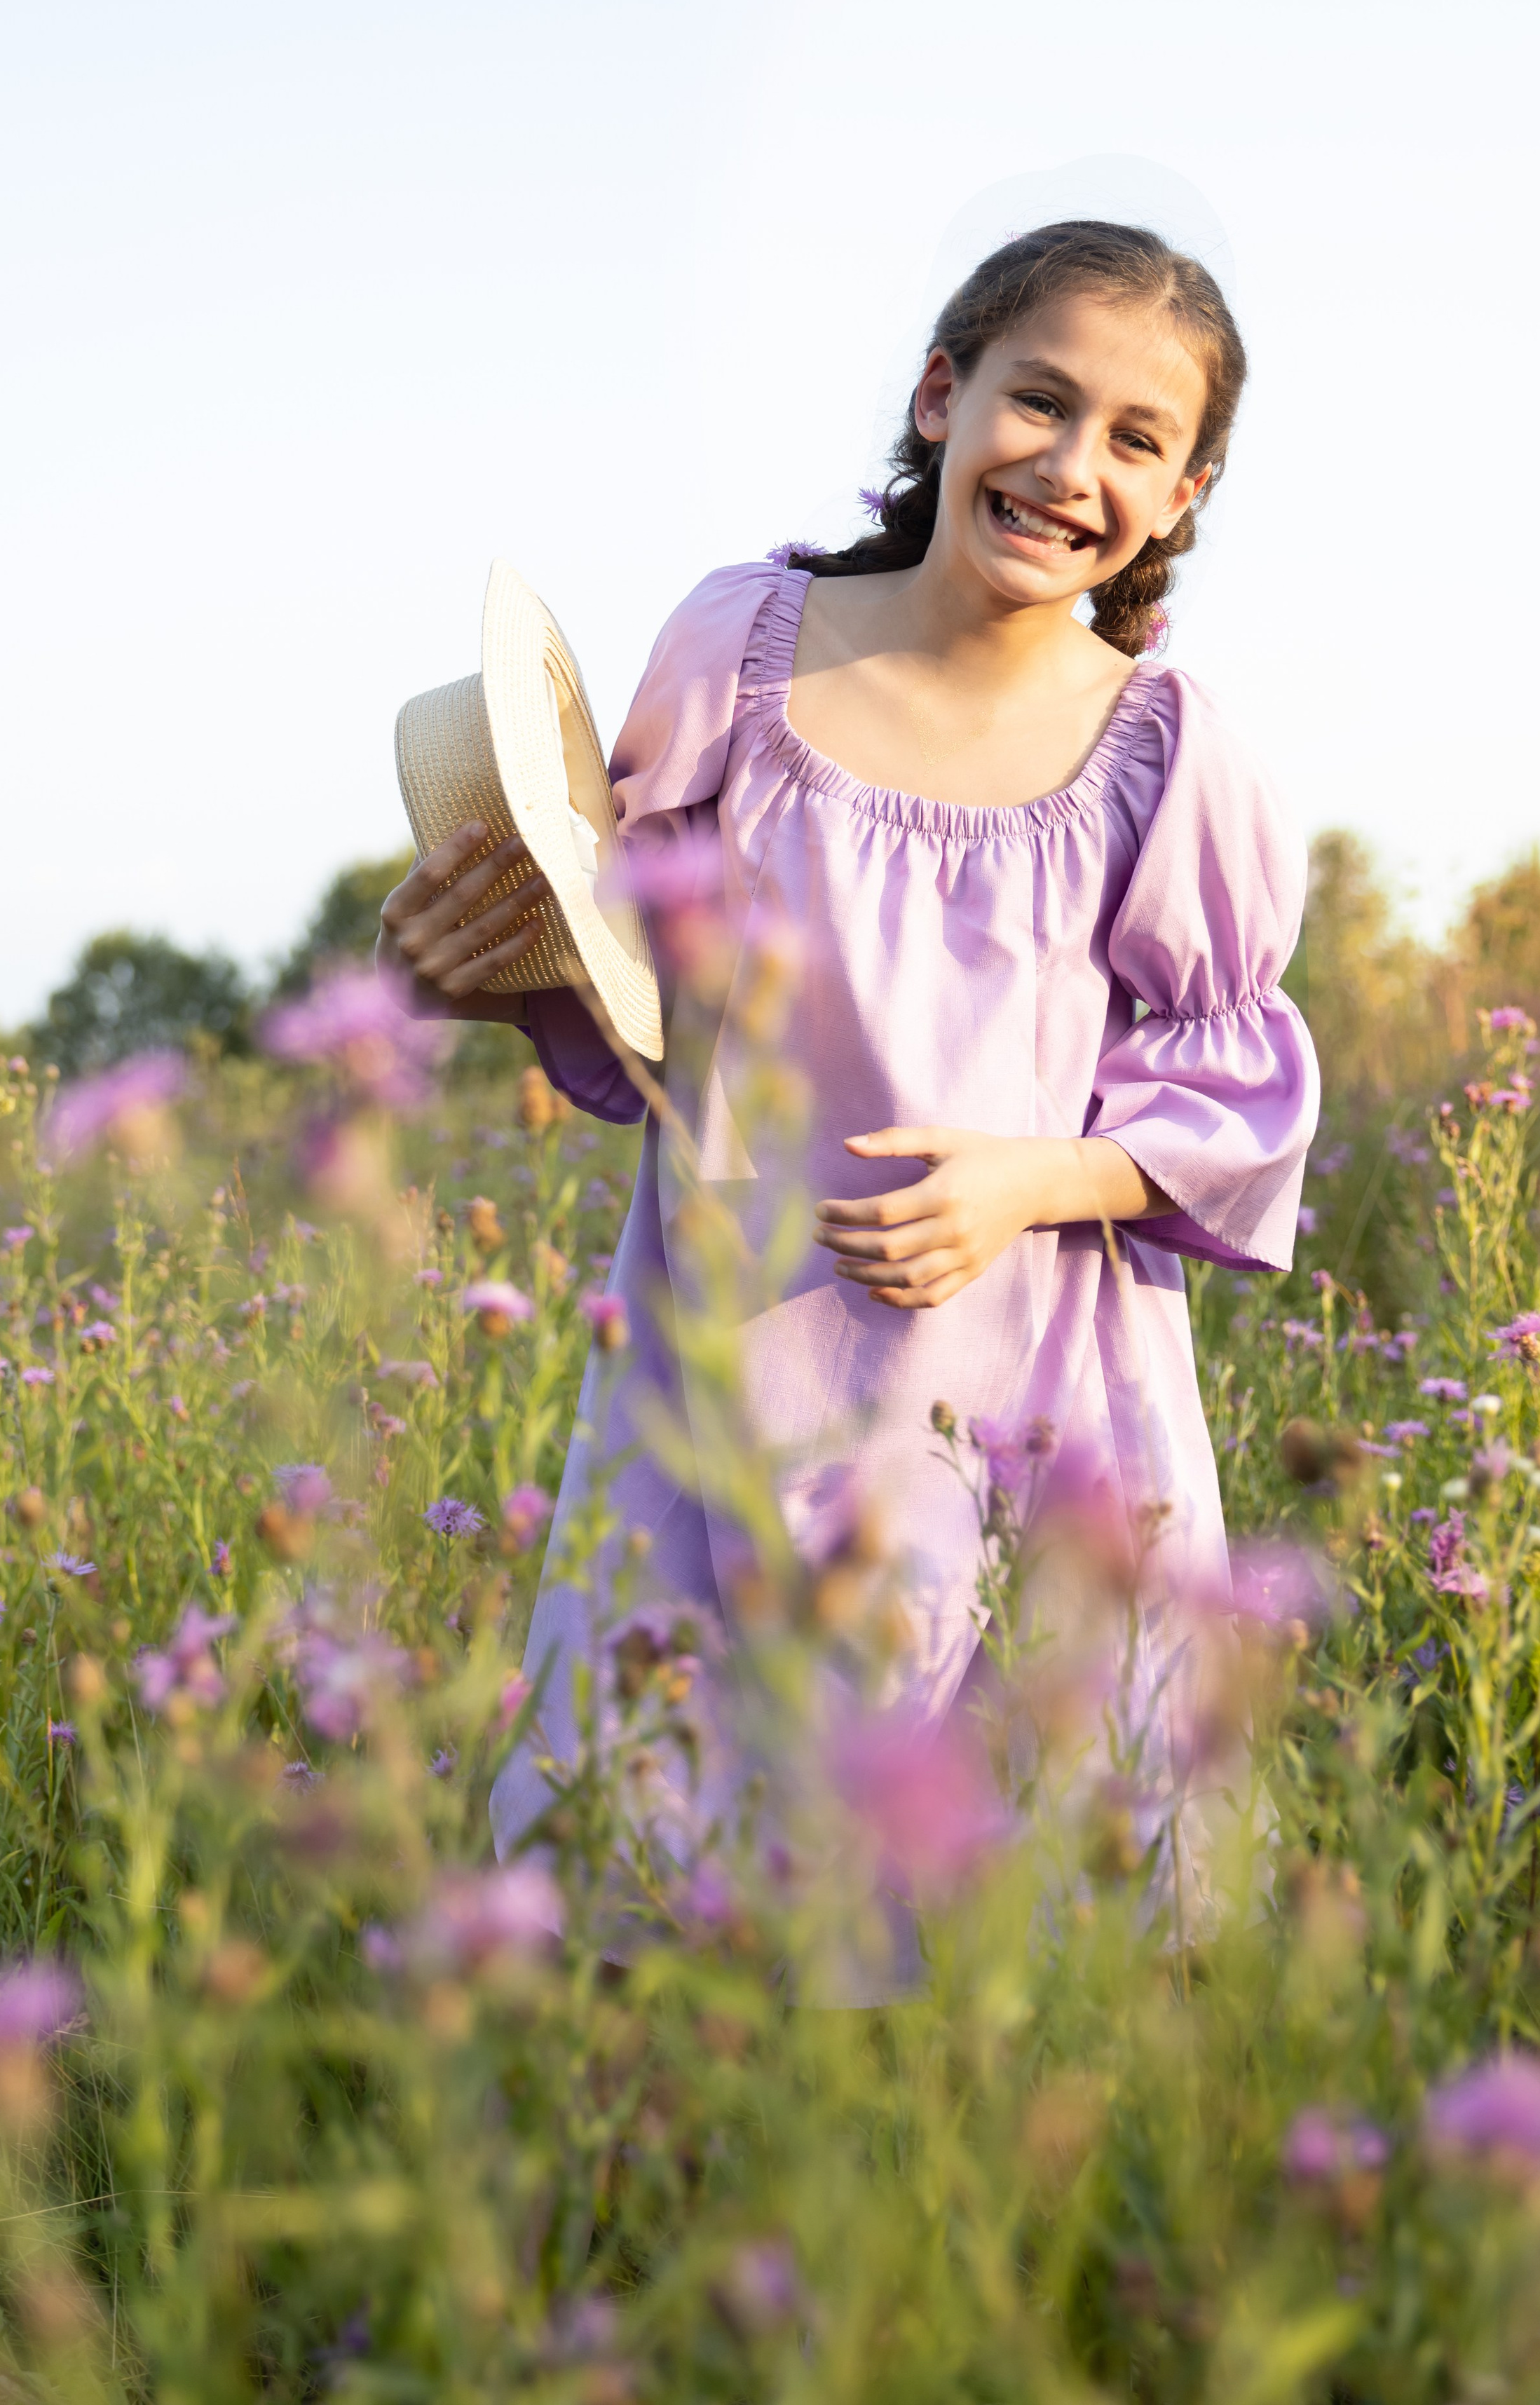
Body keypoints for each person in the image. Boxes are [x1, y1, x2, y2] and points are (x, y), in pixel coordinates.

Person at [379, 220, 1319, 1907]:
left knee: (1022, 1895)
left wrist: (1035, 1175)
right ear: (941, 395)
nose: (1069, 466)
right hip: (730, 1372)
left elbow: (1234, 1082)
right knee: (675, 1871)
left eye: (1134, 440)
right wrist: (470, 969)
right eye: (1037, 401)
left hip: (1030, 1389)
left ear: (1181, 496)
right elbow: (637, 981)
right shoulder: (739, 649)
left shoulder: (1165, 753)